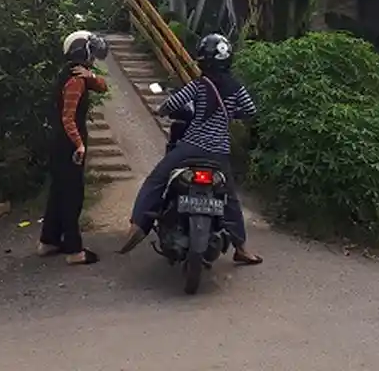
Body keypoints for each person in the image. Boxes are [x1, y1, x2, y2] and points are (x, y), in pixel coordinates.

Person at [117, 33, 263, 265]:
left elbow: (172, 104)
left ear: (203, 60)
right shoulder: (236, 88)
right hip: (218, 153)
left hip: (190, 148)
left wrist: (161, 110)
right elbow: (250, 111)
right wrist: (230, 114)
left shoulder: (199, 85)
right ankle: (242, 248)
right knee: (231, 199)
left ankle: (138, 225)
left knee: (156, 180)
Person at [38, 30, 109, 265]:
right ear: (84, 51)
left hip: (57, 140)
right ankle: (74, 250)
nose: (94, 58)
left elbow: (102, 86)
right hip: (69, 142)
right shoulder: (76, 81)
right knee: (72, 195)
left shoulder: (69, 74)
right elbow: (68, 117)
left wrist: (90, 76)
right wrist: (79, 145)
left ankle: (49, 240)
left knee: (59, 191)